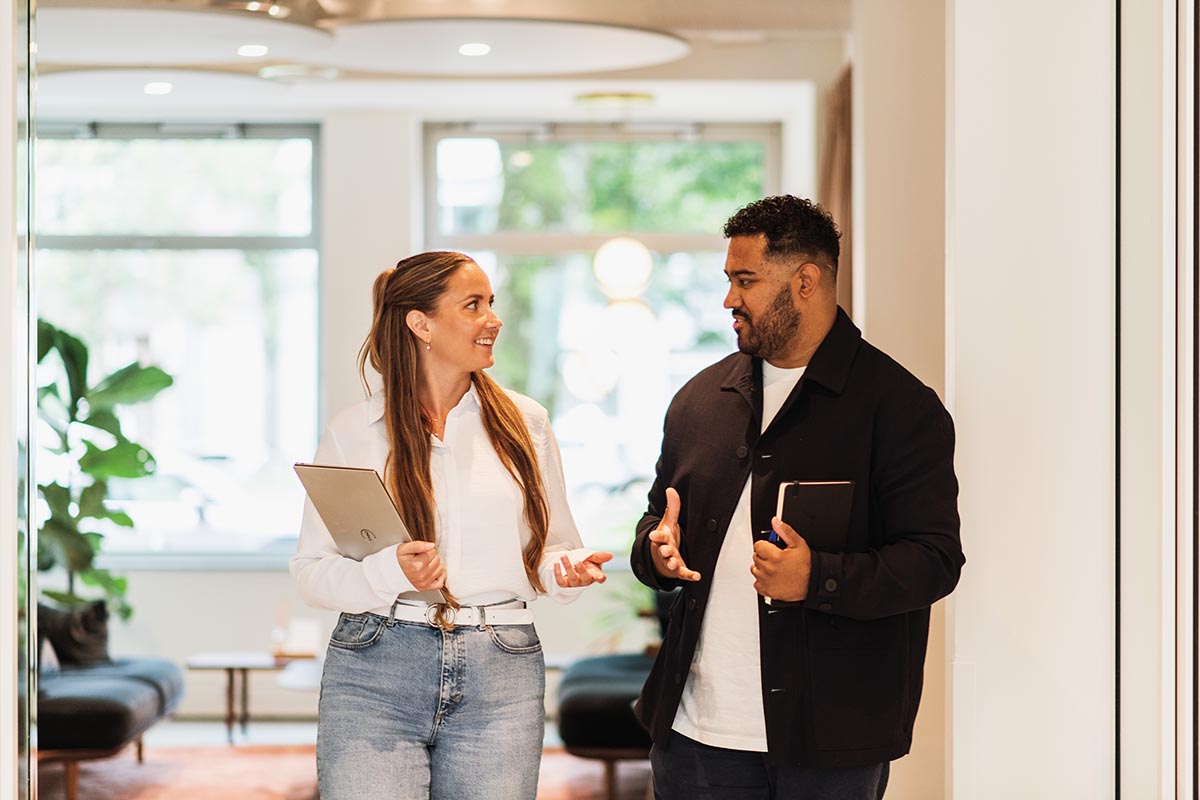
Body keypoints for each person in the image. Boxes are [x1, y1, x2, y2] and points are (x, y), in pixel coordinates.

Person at [630, 196, 964, 799]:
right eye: (729, 280)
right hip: (693, 734)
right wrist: (657, 551)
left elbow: (935, 561)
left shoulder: (900, 408)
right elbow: (656, 520)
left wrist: (818, 578)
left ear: (805, 281)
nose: (729, 299)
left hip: (830, 740)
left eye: (745, 280)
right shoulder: (698, 401)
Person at [291, 250, 612, 800]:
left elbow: (552, 548)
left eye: (491, 303)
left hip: (502, 670)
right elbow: (312, 573)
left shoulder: (526, 423)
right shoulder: (354, 432)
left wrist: (567, 570)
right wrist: (389, 571)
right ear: (421, 323)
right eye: (473, 305)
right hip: (374, 669)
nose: (494, 319)